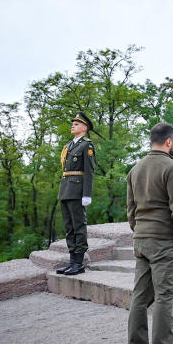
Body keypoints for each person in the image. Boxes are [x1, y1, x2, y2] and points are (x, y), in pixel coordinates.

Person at [126, 122, 173, 344]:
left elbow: (131, 211)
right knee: (164, 297)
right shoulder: (171, 167)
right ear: (169, 141)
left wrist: (140, 231)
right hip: (163, 242)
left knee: (139, 298)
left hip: (141, 240)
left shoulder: (135, 169)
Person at [55, 112, 96, 276]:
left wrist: (87, 194)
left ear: (84, 128)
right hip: (65, 189)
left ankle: (78, 263)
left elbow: (89, 171)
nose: (73, 125)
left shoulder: (87, 145)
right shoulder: (69, 146)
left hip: (78, 190)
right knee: (69, 227)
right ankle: (72, 261)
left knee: (79, 226)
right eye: (73, 123)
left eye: (77, 124)